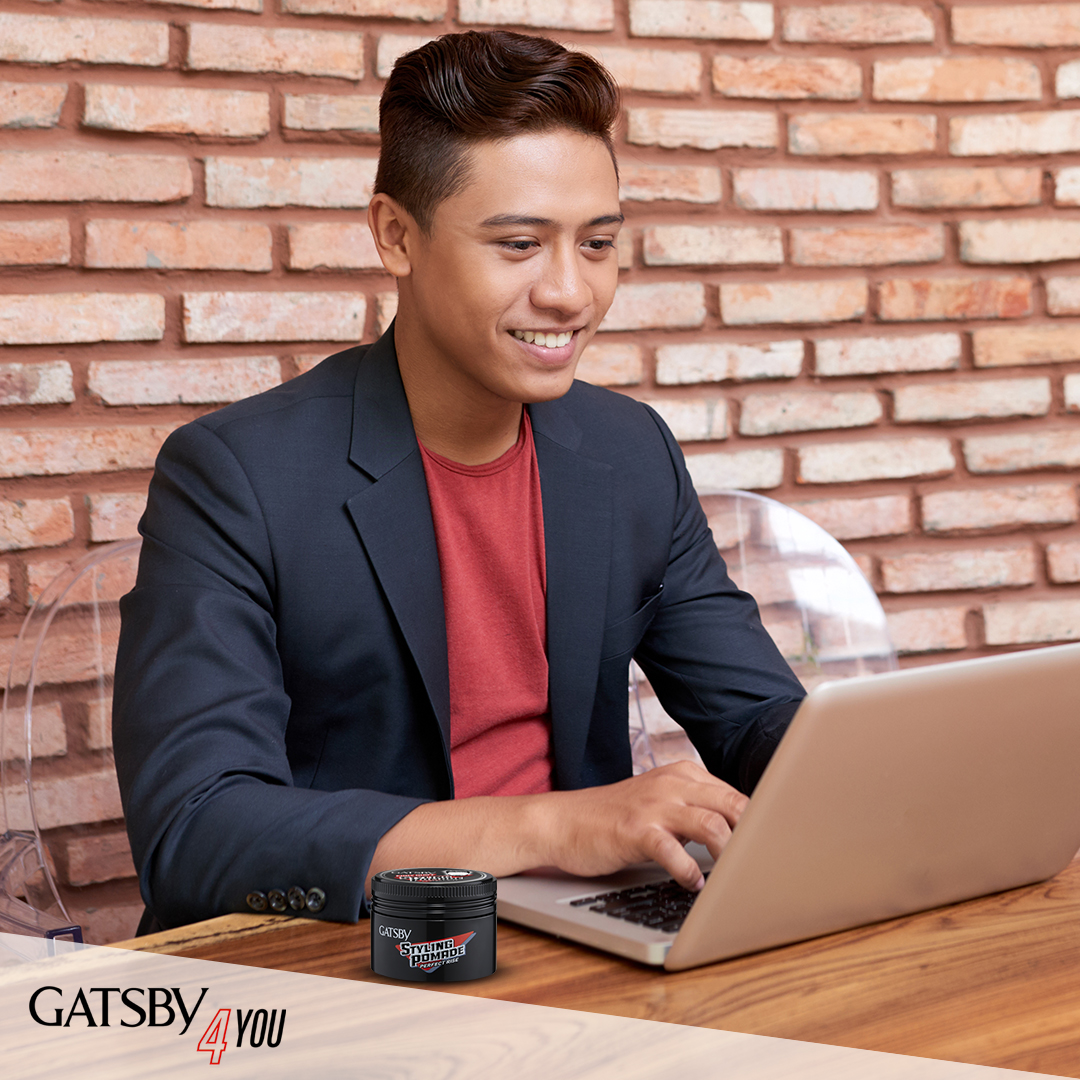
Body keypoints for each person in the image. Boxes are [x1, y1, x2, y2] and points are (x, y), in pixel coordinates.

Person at [113, 30, 806, 932]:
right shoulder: (237, 475)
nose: (570, 292)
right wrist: (554, 825)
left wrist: (899, 774)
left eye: (597, 244)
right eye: (519, 243)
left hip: (577, 945)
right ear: (396, 235)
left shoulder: (628, 450)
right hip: (350, 960)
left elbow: (754, 718)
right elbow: (196, 831)